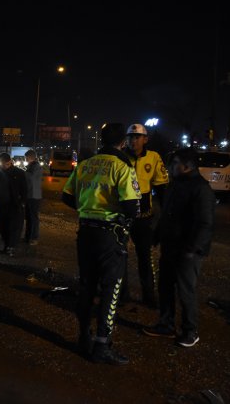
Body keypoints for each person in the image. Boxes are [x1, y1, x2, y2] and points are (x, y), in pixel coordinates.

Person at [62, 123, 141, 365]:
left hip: (85, 233)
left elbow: (66, 196)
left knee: (86, 286)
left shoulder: (85, 165)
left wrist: (88, 210)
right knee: (110, 289)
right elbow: (132, 208)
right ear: (122, 143)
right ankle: (102, 346)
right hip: (110, 236)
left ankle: (83, 337)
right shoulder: (122, 166)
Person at [142, 148, 215, 348]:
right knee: (165, 287)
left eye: (174, 163)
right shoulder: (175, 185)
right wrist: (157, 235)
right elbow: (167, 215)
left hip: (187, 251)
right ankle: (165, 324)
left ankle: (190, 331)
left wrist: (192, 249)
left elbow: (205, 223)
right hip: (170, 246)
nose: (170, 167)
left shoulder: (201, 188)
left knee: (185, 291)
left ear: (186, 166)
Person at [120, 123, 169, 307]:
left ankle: (149, 296)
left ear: (145, 139)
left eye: (137, 137)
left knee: (145, 258)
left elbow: (162, 188)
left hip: (144, 218)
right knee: (120, 256)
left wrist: (165, 216)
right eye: (130, 137)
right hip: (123, 216)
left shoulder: (154, 158)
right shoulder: (120, 157)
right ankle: (121, 294)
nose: (133, 140)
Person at [0, 153, 27, 255]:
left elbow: (24, 189)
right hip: (1, 205)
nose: (5, 166)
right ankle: (7, 245)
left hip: (14, 205)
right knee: (2, 226)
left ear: (10, 162)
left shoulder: (19, 173)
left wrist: (22, 202)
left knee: (14, 227)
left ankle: (11, 247)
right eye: (3, 164)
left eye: (7, 164)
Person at [24, 149, 42, 245]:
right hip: (31, 195)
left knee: (33, 218)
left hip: (34, 196)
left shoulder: (36, 166)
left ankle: (34, 237)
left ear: (30, 157)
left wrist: (22, 172)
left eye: (26, 157)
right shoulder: (32, 166)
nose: (25, 159)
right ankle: (28, 236)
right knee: (29, 217)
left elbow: (30, 178)